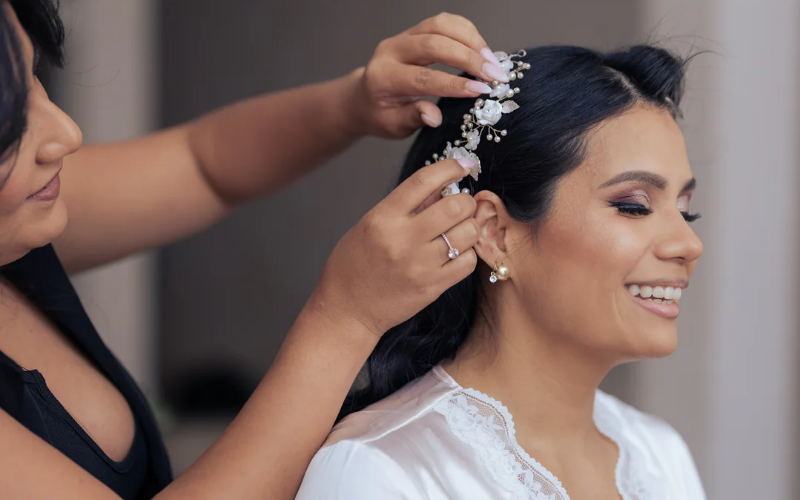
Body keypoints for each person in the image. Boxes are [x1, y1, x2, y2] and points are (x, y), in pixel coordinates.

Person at [0, 1, 507, 499]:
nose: (66, 134)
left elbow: (203, 165)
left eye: (34, 77)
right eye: (9, 122)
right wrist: (344, 319)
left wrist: (353, 102)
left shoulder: (26, 209)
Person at [295, 45, 707, 499]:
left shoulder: (659, 456)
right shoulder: (378, 470)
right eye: (634, 206)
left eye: (685, 212)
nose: (688, 245)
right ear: (493, 233)